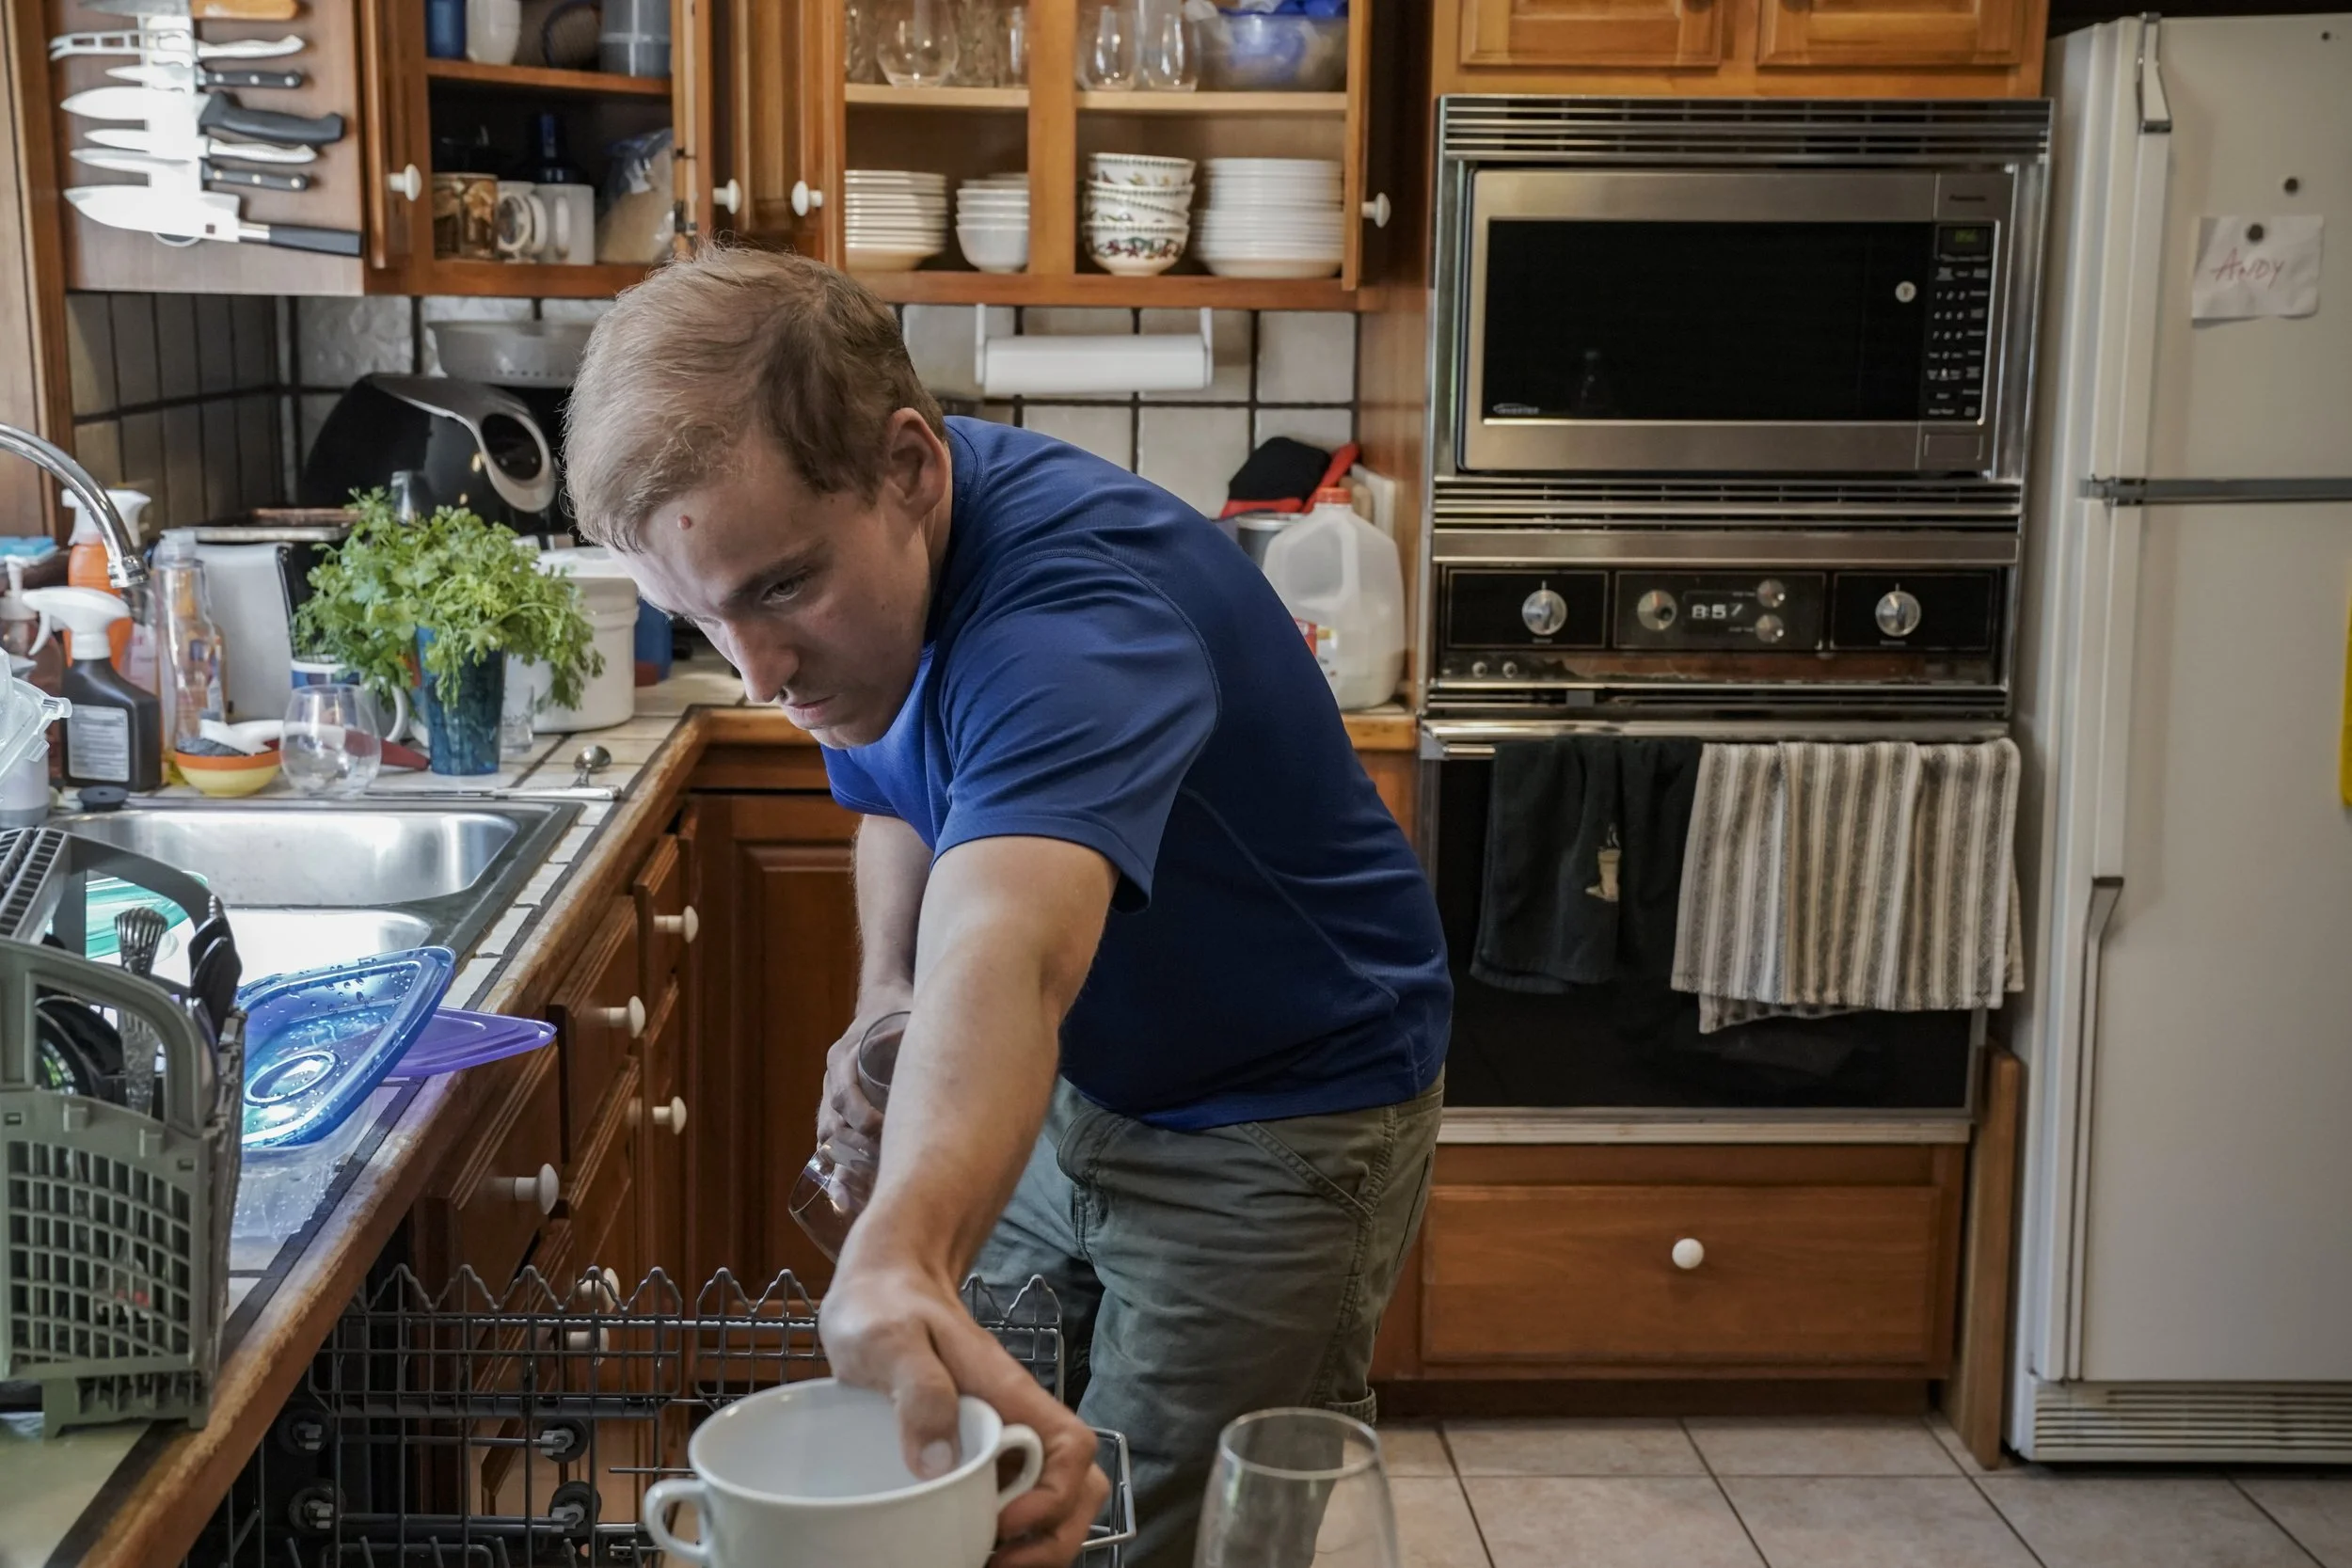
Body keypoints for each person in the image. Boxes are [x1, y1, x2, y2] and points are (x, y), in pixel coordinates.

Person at [564, 247, 1449, 1568]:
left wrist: (901, 1245)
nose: (757, 674)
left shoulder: (1070, 622)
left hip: (1281, 1109)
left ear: (912, 469)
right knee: (1002, 1493)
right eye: (699, 617)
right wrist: (890, 998)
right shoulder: (852, 550)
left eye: (779, 592)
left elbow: (1013, 945)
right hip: (1084, 1081)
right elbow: (901, 799)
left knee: (1147, 1538)